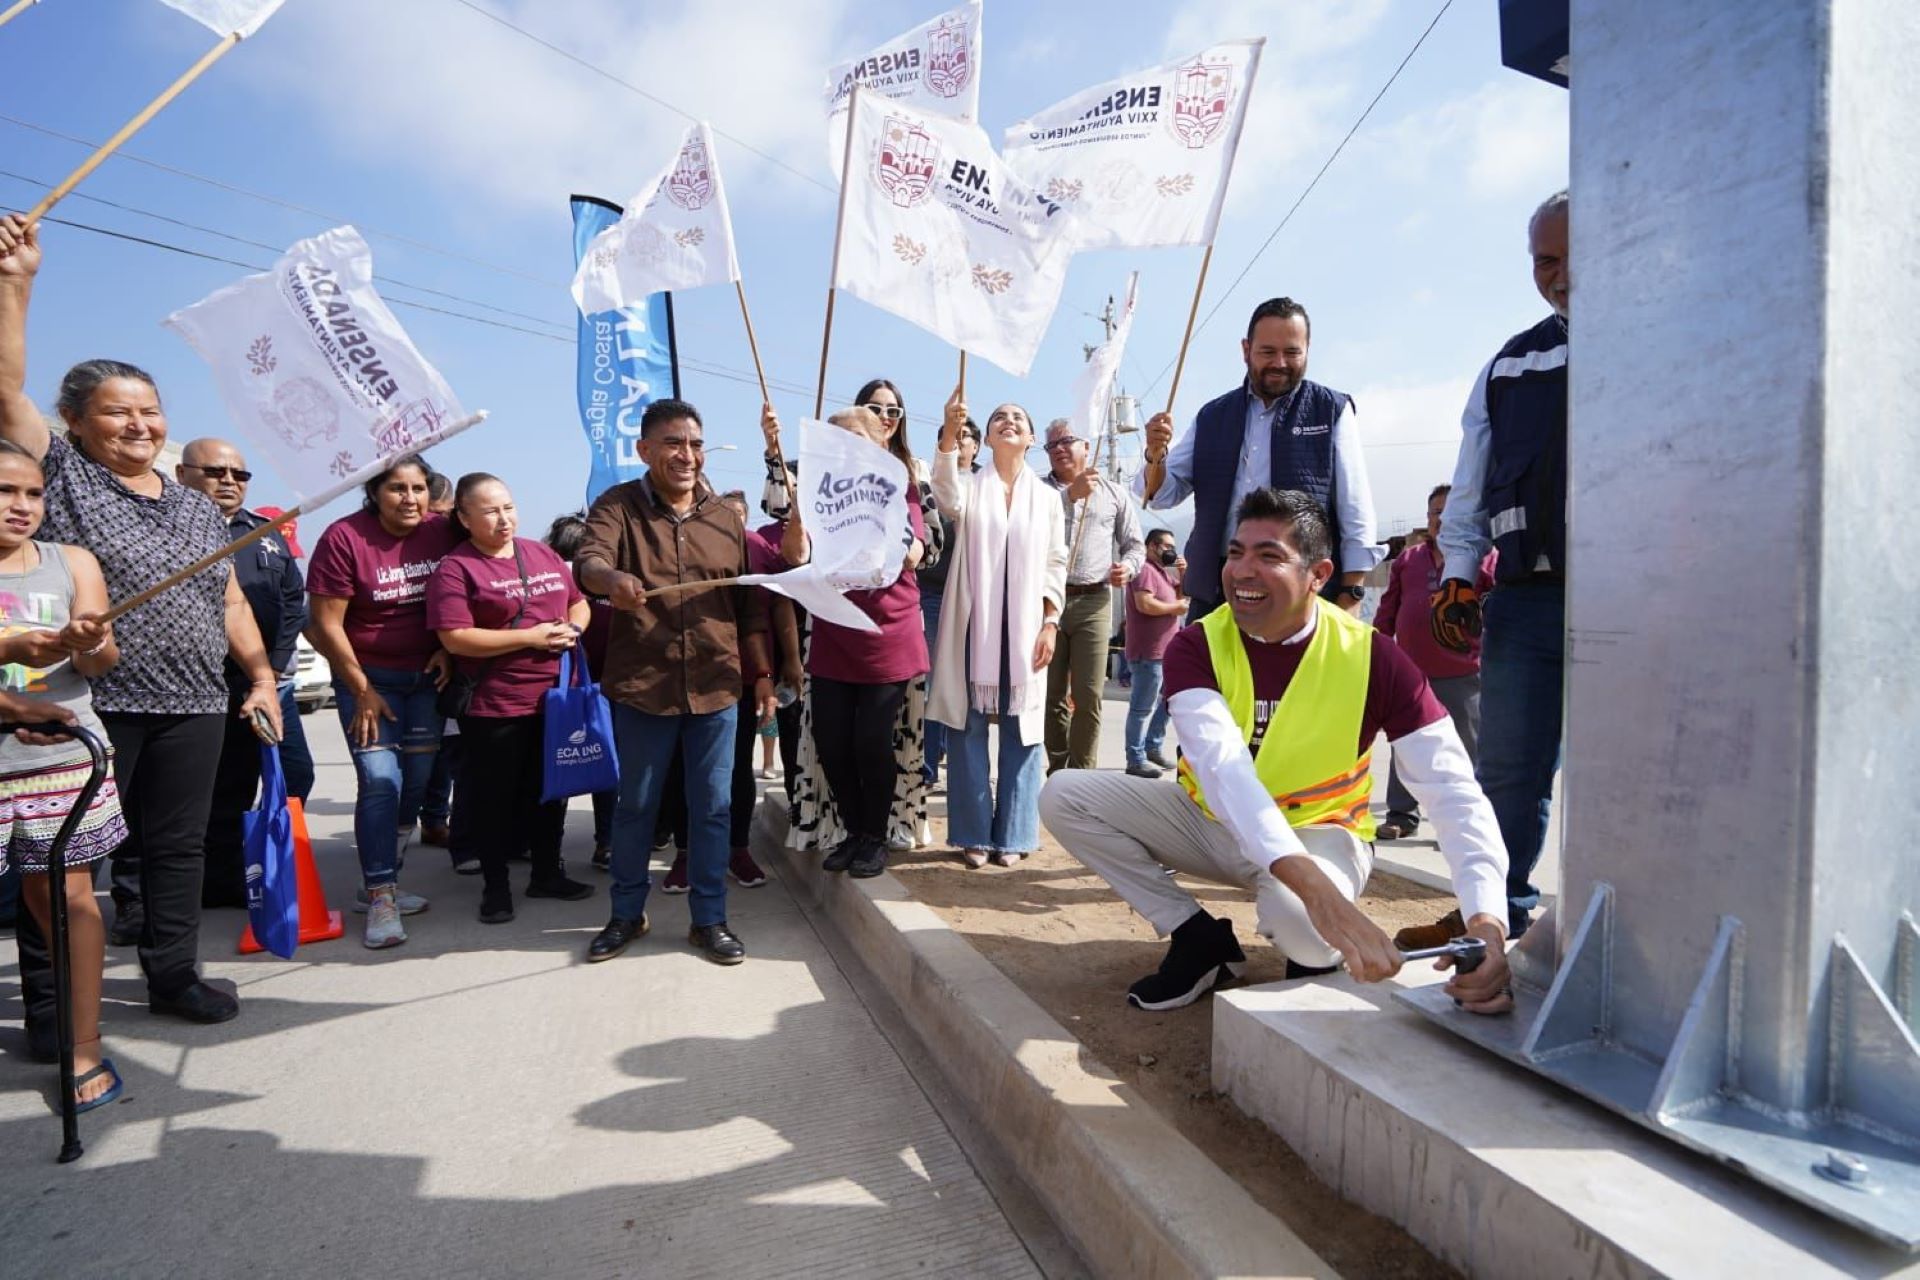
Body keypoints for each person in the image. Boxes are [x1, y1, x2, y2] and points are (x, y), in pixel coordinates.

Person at [1040, 489, 1513, 1013]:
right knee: (1065, 794)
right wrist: (1320, 894)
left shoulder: (1374, 657)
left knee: (1304, 926)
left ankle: (1311, 957)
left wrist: (1488, 922)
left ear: (1318, 574)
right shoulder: (1197, 644)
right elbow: (1224, 770)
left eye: (1269, 556)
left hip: (1320, 830)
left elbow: (1452, 792)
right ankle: (1200, 939)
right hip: (1211, 823)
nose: (1242, 571)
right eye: (1236, 552)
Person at [0, 212, 282, 1027]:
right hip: (93, 703)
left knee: (179, 849)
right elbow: (4, 394)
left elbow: (226, 600)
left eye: (150, 412)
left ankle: (173, 976)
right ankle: (54, 1004)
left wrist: (260, 675)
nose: (140, 426)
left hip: (193, 706)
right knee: (67, 858)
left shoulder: (198, 510)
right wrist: (16, 283)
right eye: (119, 413)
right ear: (78, 423)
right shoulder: (67, 480)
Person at [1416, 189, 1570, 946]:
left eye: (1577, 256)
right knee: (1509, 768)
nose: (1561, 275)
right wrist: (1457, 572)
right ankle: (1496, 915)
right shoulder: (1511, 364)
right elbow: (1470, 485)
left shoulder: (1666, 339)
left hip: (1642, 600)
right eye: (1547, 260)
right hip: (1528, 602)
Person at [575, 398, 774, 966]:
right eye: (672, 443)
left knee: (711, 807)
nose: (686, 455)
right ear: (644, 450)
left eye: (694, 443)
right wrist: (610, 577)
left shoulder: (725, 518)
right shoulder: (618, 506)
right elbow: (588, 562)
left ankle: (709, 921)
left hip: (717, 686)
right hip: (644, 686)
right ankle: (625, 914)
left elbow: (749, 608)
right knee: (635, 806)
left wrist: (760, 675)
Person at [0, 443, 130, 1108]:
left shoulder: (71, 562)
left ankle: (83, 1049)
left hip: (60, 761)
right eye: (4, 491)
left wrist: (88, 641)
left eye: (32, 493)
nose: (21, 506)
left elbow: (102, 662)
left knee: (67, 901)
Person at [1137, 297, 1380, 618]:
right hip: (1218, 590)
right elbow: (1160, 495)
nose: (1280, 362)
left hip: (1297, 589)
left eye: (1292, 352)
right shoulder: (1212, 417)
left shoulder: (1332, 410)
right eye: (1268, 351)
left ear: (1307, 349)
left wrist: (1352, 592)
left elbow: (1355, 508)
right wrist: (1156, 454)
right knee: (1208, 669)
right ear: (1246, 350)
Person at [778, 378, 941, 856]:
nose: (849, 449)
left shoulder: (900, 484)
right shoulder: (817, 490)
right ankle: (852, 830)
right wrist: (799, 515)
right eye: (840, 440)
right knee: (831, 741)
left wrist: (909, 545)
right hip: (833, 627)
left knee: (872, 741)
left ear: (880, 444)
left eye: (859, 439)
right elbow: (794, 555)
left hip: (887, 631)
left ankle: (873, 835)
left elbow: (916, 546)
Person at [426, 473, 595, 923]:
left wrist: (572, 628)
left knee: (551, 792)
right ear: (464, 518)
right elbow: (456, 637)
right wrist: (531, 638)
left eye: (508, 507)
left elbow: (578, 602)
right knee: (495, 798)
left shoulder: (540, 553)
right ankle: (496, 887)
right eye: (489, 511)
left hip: (557, 699)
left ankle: (546, 873)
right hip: (496, 704)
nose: (504, 519)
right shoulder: (456, 568)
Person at [304, 455, 457, 948]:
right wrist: (360, 688)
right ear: (373, 493)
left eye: (418, 488)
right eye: (396, 488)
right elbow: (324, 624)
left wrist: (446, 648)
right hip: (368, 682)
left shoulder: (442, 529)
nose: (409, 498)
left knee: (414, 784)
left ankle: (382, 876)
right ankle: (382, 894)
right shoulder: (344, 538)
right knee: (379, 781)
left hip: (427, 681)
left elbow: (463, 592)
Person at [175, 437, 315, 908]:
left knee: (292, 774)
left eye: (239, 474)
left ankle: (257, 864)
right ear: (181, 475)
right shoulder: (170, 534)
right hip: (202, 685)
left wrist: (271, 670)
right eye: (215, 472)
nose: (229, 482)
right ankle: (208, 884)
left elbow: (293, 602)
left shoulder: (265, 533)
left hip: (266, 682)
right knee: (212, 789)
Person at [928, 394, 1066, 868]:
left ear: (1030, 439)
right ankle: (971, 832)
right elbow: (943, 493)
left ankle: (1014, 833)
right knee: (966, 729)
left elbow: (1055, 563)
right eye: (998, 418)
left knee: (1024, 730)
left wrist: (1050, 622)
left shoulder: (1049, 498)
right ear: (985, 438)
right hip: (974, 624)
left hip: (1028, 628)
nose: (1009, 422)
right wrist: (949, 432)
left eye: (1019, 418)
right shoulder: (970, 487)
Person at [1373, 484, 1495, 841]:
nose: (1439, 519)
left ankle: (1464, 826)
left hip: (1464, 674)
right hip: (1412, 673)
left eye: (1446, 511)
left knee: (1467, 751)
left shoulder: (1483, 559)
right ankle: (1401, 815)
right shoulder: (1409, 561)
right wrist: (1379, 648)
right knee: (1406, 743)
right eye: (1433, 513)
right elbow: (1388, 610)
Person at [1041, 417, 1144, 773]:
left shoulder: (1114, 493)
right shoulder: (1040, 492)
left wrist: (1127, 569)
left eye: (1067, 441)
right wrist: (1070, 496)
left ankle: (1082, 776)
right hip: (1047, 602)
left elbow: (1135, 547)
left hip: (1095, 602)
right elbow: (1031, 525)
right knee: (1050, 695)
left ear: (1087, 447)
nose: (1059, 449)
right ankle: (1056, 768)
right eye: (1052, 445)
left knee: (1088, 695)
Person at [544, 512, 618, 870]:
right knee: (607, 767)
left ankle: (548, 850)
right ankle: (606, 842)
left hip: (565, 692)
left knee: (559, 767)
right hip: (596, 690)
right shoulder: (590, 584)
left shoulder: (554, 580)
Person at [918, 417, 979, 790]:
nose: (958, 443)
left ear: (977, 446)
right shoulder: (927, 485)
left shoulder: (989, 487)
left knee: (967, 682)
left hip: (975, 596)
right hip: (933, 595)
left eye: (965, 437)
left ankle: (957, 762)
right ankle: (927, 766)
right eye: (950, 438)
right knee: (933, 681)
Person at [1122, 528, 1185, 778]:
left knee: (1170, 700)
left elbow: (1182, 595)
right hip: (1148, 652)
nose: (1171, 550)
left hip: (1165, 652)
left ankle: (1153, 747)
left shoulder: (1162, 572)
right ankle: (1135, 758)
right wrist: (1174, 608)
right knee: (1141, 709)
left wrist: (1184, 571)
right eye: (1167, 546)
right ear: (1151, 546)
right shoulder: (1144, 570)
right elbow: (1144, 604)